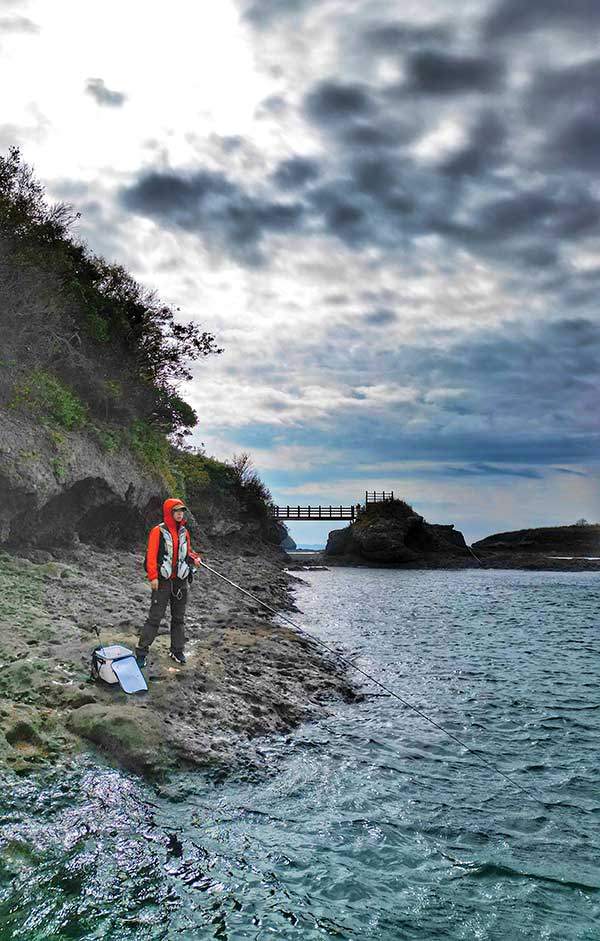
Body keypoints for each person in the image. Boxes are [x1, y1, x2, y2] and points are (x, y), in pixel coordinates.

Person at [136, 498, 201, 667]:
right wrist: (153, 577)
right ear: (169, 512)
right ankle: (141, 652)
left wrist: (194, 558)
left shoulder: (184, 532)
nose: (180, 514)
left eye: (182, 511)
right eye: (176, 511)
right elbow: (151, 556)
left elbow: (187, 551)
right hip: (162, 582)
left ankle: (177, 651)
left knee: (179, 618)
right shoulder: (157, 531)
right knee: (155, 618)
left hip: (180, 581)